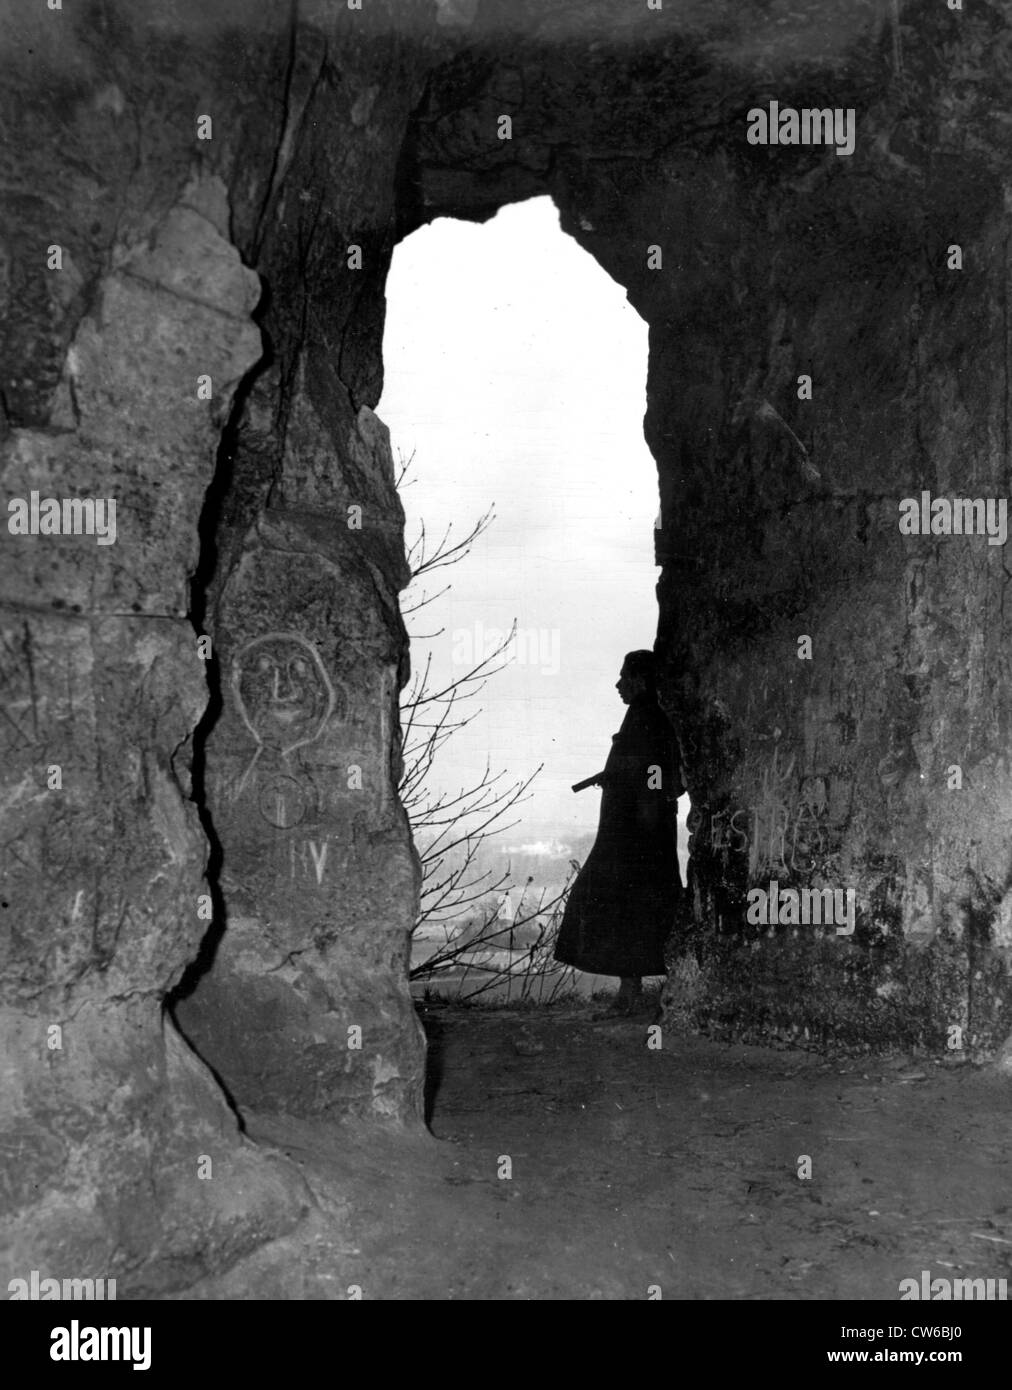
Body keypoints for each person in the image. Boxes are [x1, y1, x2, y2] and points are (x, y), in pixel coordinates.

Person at [554, 650, 683, 1015]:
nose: (618, 684)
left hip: (635, 838)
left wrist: (642, 815)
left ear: (641, 680)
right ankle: (632, 993)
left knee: (625, 907)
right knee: (630, 909)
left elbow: (654, 774)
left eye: (624, 676)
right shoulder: (644, 715)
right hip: (634, 834)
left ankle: (632, 996)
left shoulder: (647, 717)